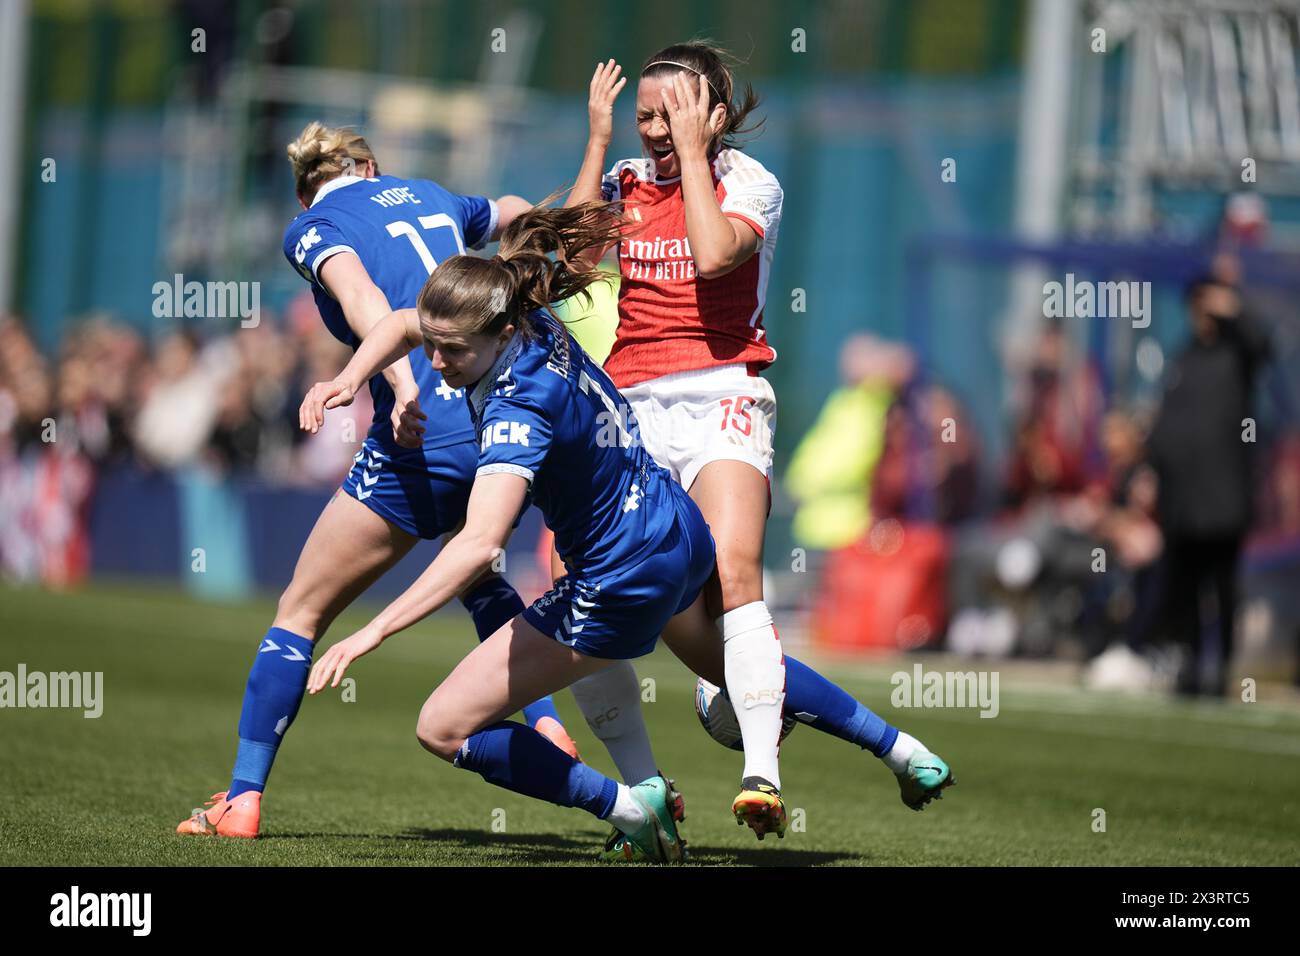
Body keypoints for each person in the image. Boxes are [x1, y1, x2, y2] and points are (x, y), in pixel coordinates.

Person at [560, 43, 954, 840]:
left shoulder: (751, 181)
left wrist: (698, 156)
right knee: (594, 594)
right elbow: (569, 264)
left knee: (737, 572)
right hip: (632, 410)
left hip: (721, 397)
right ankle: (645, 793)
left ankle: (761, 778)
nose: (656, 130)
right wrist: (600, 141)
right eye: (645, 115)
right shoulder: (624, 180)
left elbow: (711, 256)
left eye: (671, 114)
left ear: (713, 113)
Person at [176, 122, 580, 839]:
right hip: (510, 410)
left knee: (299, 612)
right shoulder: (429, 193)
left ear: (308, 187)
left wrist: (399, 381)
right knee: (476, 569)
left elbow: (364, 298)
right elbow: (513, 209)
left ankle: (241, 799)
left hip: (423, 427)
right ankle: (546, 723)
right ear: (370, 165)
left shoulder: (313, 225)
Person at [299, 201, 714, 861]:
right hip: (677, 528)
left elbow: (479, 544)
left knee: (441, 726)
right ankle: (885, 750)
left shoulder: (518, 404)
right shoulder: (524, 317)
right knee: (714, 668)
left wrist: (370, 632)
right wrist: (349, 377)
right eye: (431, 345)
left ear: (494, 336)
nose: (434, 362)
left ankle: (632, 808)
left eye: (452, 350)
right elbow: (404, 322)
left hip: (621, 572)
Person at [1147, 275, 1273, 695]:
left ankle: (1220, 670)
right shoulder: (1184, 357)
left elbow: (1263, 343)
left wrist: (1234, 309)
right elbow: (1166, 422)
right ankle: (1189, 666)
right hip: (1182, 500)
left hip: (1222, 501)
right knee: (1184, 589)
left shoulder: (1238, 353)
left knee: (1222, 590)